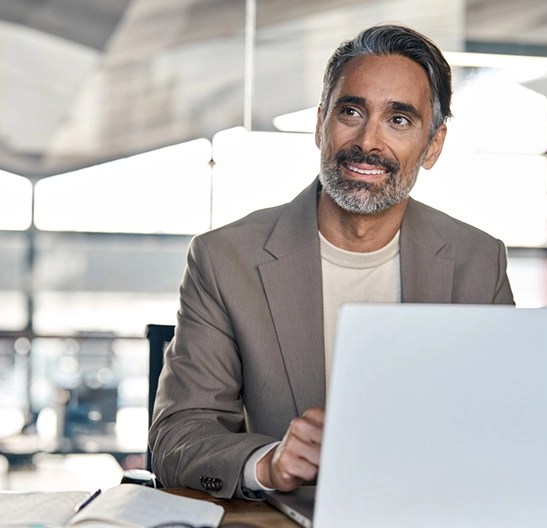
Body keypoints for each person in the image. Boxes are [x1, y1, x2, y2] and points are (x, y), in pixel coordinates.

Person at [149, 22, 514, 499]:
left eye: (399, 120)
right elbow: (178, 437)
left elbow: (509, 423)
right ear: (321, 123)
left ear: (433, 145)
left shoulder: (478, 261)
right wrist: (268, 462)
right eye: (350, 111)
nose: (367, 142)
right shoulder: (223, 259)